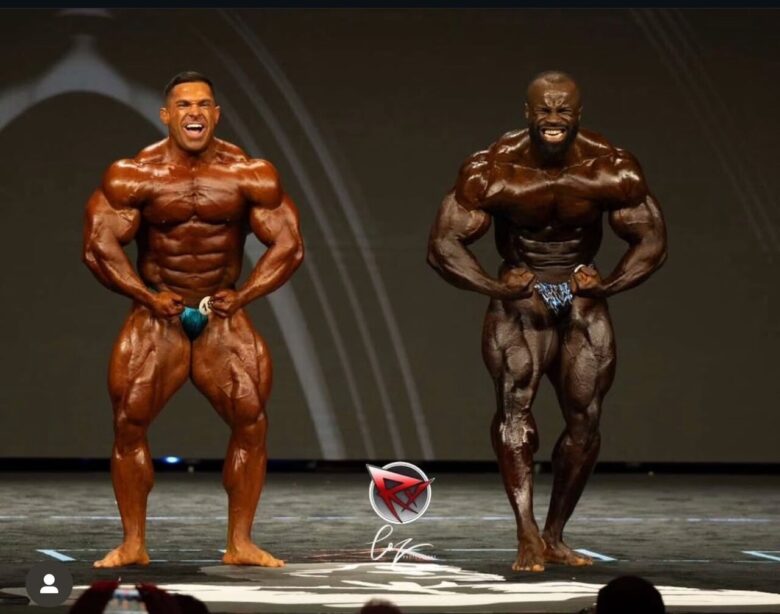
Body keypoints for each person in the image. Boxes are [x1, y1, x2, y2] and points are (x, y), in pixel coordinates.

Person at [427, 71, 667, 572]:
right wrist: (496, 287)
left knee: (586, 421)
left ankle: (554, 534)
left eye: (563, 110)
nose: (553, 119)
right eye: (544, 109)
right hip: (523, 298)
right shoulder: (493, 168)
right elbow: (443, 245)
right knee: (514, 410)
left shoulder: (612, 168)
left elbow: (651, 240)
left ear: (578, 114)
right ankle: (526, 533)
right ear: (528, 112)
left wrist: (607, 285)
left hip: (580, 299)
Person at [82, 71, 304, 568]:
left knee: (252, 422)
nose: (194, 112)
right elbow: (98, 248)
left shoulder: (250, 174)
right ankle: (133, 543)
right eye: (184, 105)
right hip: (156, 315)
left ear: (216, 114)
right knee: (129, 423)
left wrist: (243, 296)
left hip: (221, 315)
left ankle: (240, 543)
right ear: (167, 115)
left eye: (203, 104)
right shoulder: (134, 175)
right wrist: (146, 296)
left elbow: (289, 245)